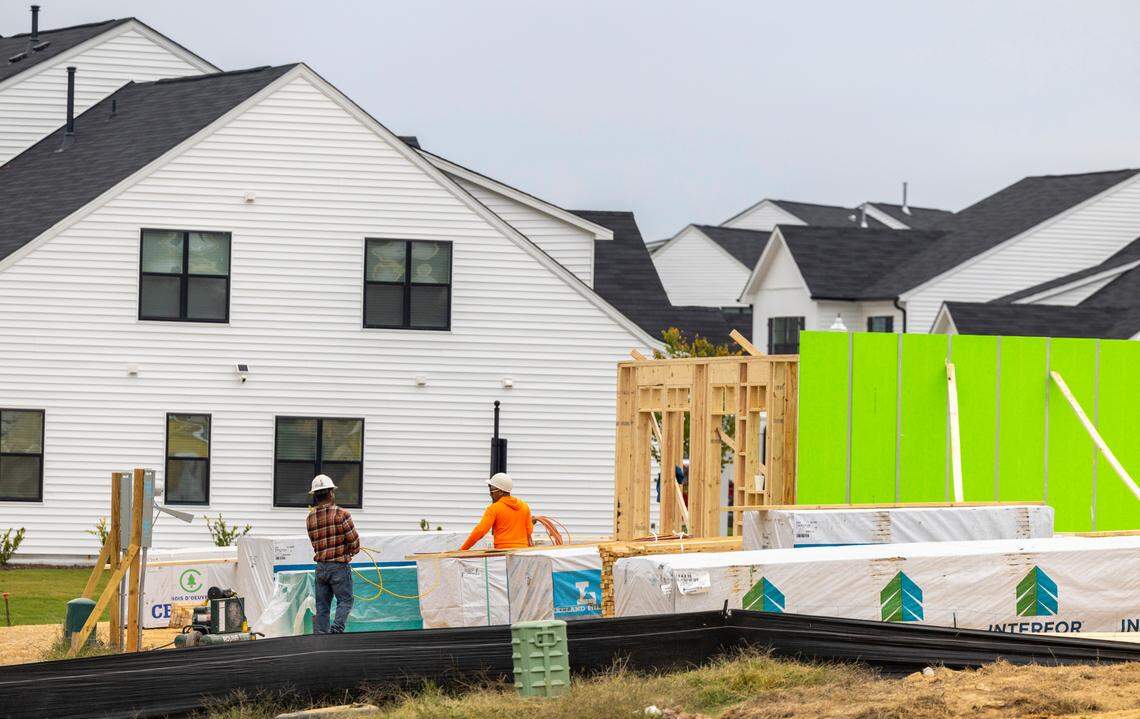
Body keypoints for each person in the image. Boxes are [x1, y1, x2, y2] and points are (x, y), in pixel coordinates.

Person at [305, 474, 360, 634]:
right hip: (339, 567)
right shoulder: (342, 514)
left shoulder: (310, 518)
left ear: (315, 496)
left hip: (321, 568)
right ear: (331, 493)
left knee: (322, 606)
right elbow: (354, 543)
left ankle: (321, 637)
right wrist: (349, 551)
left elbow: (316, 544)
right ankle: (336, 631)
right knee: (345, 600)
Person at [459, 472, 533, 550]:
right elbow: (529, 531)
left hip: (503, 552)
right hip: (522, 552)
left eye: (491, 490)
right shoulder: (524, 506)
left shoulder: (494, 508)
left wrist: (463, 549)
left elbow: (480, 531)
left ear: (500, 491)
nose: (490, 494)